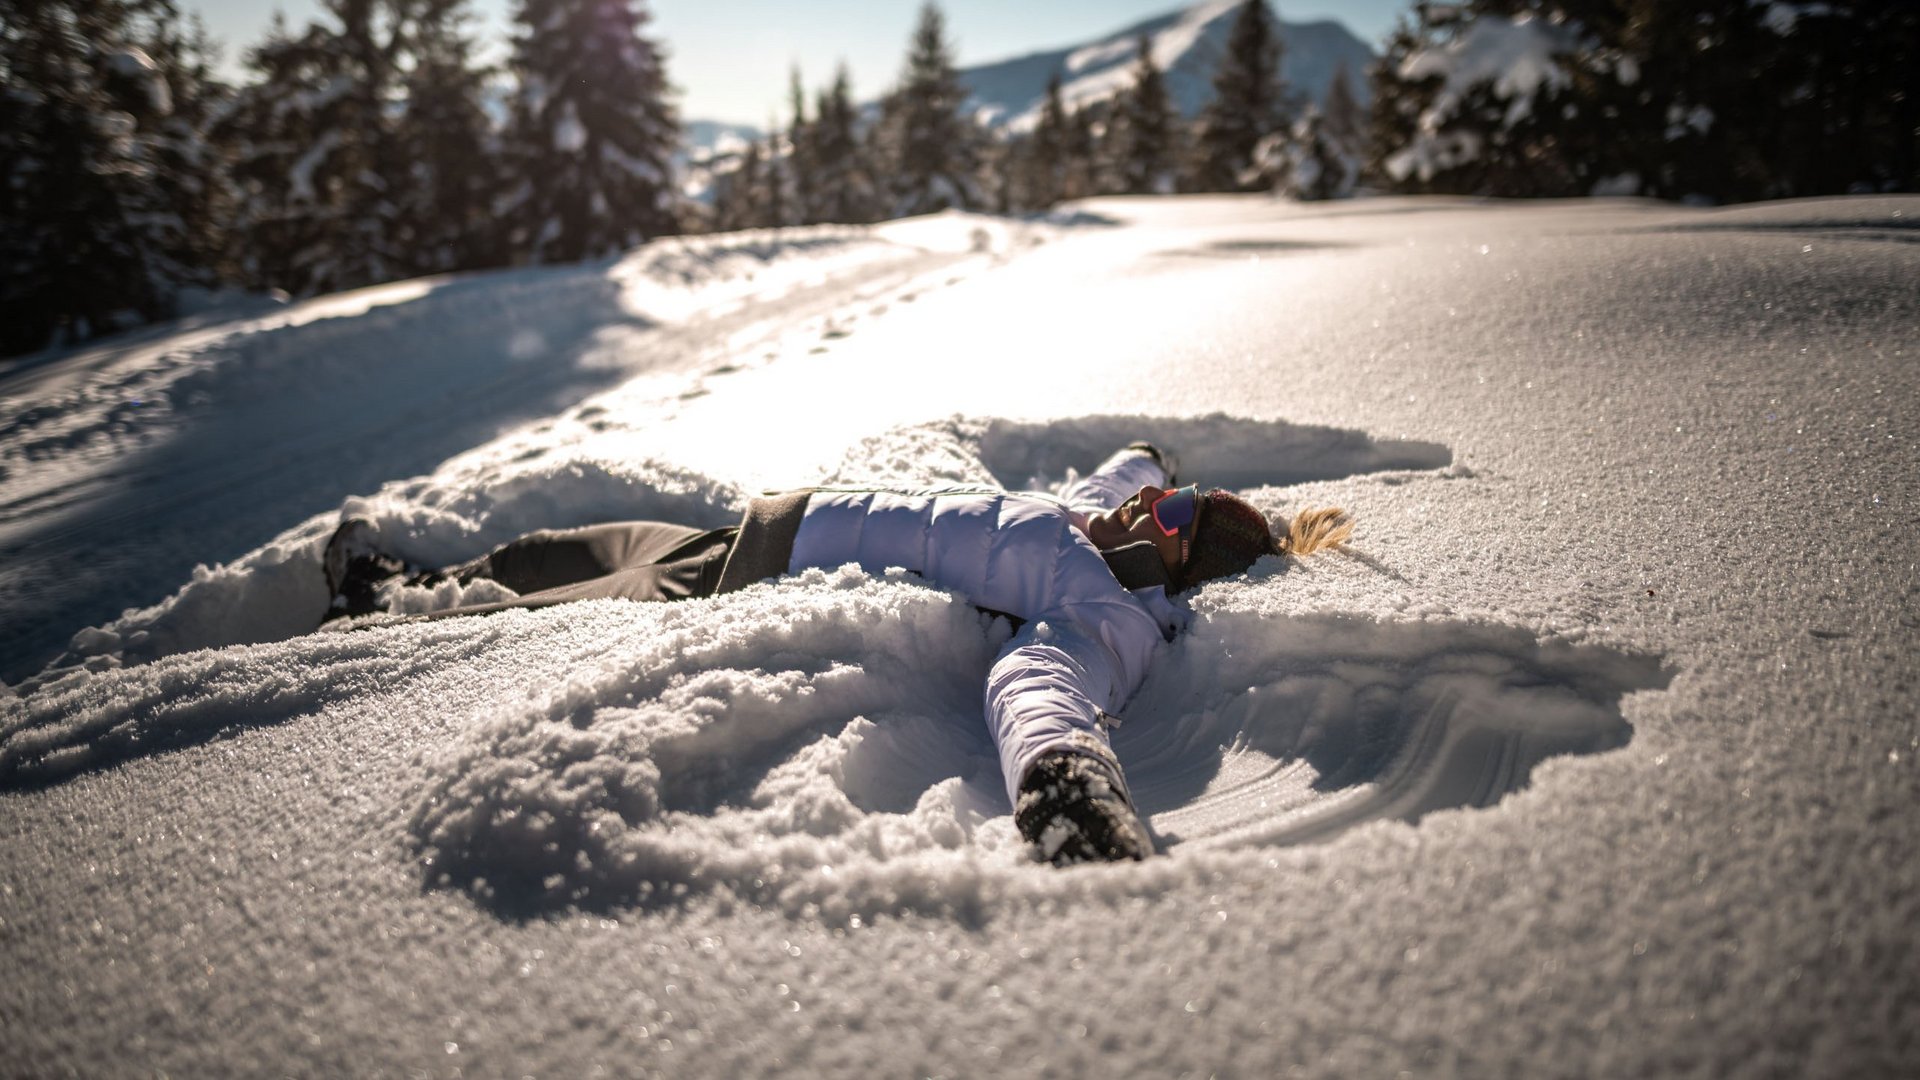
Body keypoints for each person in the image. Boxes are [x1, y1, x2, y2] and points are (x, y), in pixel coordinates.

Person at [322, 443, 1351, 866]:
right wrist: (1161, 466)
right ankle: (419, 573)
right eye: (1164, 491)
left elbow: (1039, 691)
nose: (1143, 500)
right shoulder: (1095, 519)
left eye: (1167, 509)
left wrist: (1065, 783)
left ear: (1174, 560)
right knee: (579, 545)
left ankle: (390, 602)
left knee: (571, 593)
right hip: (771, 522)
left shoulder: (1103, 614)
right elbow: (1123, 463)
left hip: (743, 581)